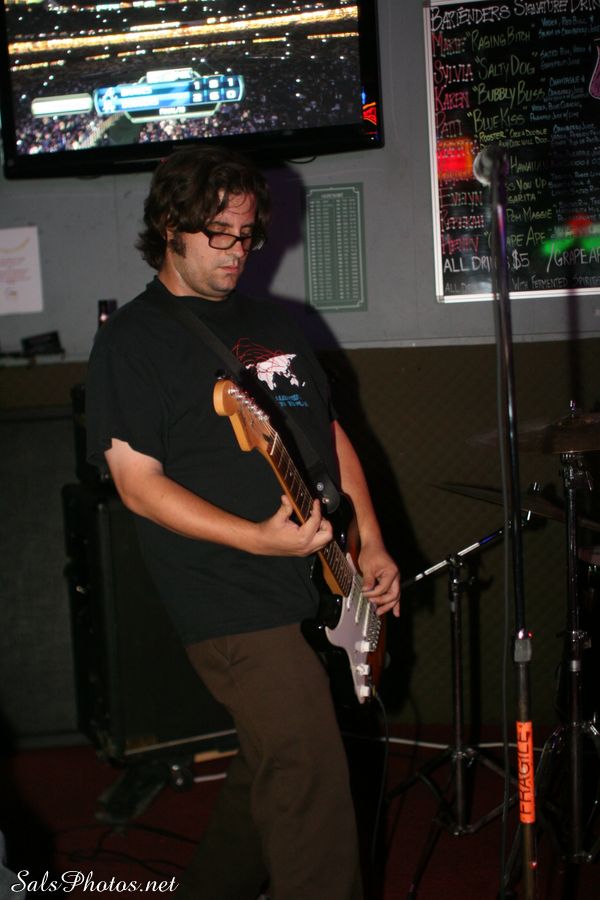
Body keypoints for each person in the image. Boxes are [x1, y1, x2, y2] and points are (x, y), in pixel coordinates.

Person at [85, 145, 400, 900]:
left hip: (317, 574)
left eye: (247, 234)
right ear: (170, 226)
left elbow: (331, 437)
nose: (236, 251)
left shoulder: (272, 320)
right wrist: (257, 537)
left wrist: (371, 541)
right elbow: (137, 485)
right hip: (224, 588)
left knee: (272, 760)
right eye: (218, 233)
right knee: (309, 769)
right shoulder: (134, 338)